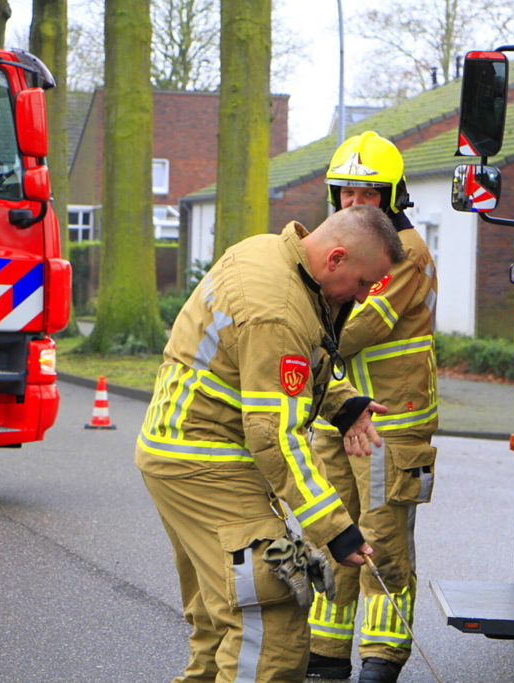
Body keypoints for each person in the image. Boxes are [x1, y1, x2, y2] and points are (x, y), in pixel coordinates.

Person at [136, 204, 406, 683]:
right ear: (337, 259)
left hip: (179, 453)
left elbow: (279, 369)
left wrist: (342, 405)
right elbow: (274, 434)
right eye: (365, 284)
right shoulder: (278, 308)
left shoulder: (270, 255)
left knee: (223, 625)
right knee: (269, 614)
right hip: (210, 463)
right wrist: (336, 529)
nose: (364, 299)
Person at [307, 132, 439, 683]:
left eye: (368, 194)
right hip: (334, 420)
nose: (355, 206)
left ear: (391, 197)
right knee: (329, 536)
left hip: (390, 427)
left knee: (381, 545)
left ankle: (380, 663)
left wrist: (292, 328)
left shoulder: (402, 255)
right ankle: (326, 657)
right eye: (346, 194)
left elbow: (355, 327)